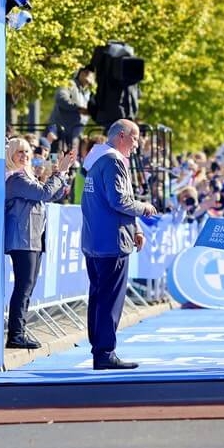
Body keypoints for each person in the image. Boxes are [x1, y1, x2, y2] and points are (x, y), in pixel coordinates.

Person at [80, 119, 157, 370]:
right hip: (111, 241)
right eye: (135, 138)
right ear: (121, 136)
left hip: (96, 240)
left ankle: (100, 350)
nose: (137, 145)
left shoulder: (96, 160)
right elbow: (120, 201)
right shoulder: (113, 161)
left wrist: (135, 228)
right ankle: (105, 352)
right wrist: (144, 207)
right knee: (109, 300)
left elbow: (113, 200)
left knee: (98, 297)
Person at [3, 137, 76, 350]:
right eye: (19, 152)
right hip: (22, 238)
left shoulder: (26, 176)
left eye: (27, 152)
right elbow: (43, 193)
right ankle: (16, 334)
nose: (25, 156)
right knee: (23, 286)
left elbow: (50, 195)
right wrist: (60, 173)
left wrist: (60, 175)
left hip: (33, 237)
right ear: (10, 155)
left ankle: (19, 332)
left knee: (28, 286)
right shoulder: (16, 179)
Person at [45, 66, 95, 154]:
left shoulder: (88, 93)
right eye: (85, 71)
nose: (88, 74)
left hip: (74, 137)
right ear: (79, 73)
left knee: (72, 161)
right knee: (55, 159)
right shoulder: (70, 84)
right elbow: (61, 98)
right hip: (59, 134)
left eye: (91, 72)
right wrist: (78, 108)